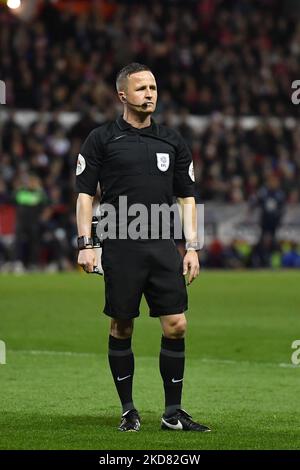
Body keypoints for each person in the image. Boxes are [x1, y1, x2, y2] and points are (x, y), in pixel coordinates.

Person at [75, 63, 210, 433]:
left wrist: (193, 246)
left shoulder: (172, 140)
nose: (150, 94)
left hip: (163, 245)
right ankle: (128, 410)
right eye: (141, 89)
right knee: (122, 326)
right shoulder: (101, 139)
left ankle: (172, 413)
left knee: (177, 325)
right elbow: (86, 194)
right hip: (120, 244)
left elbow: (187, 196)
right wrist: (86, 243)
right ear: (122, 95)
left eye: (153, 87)